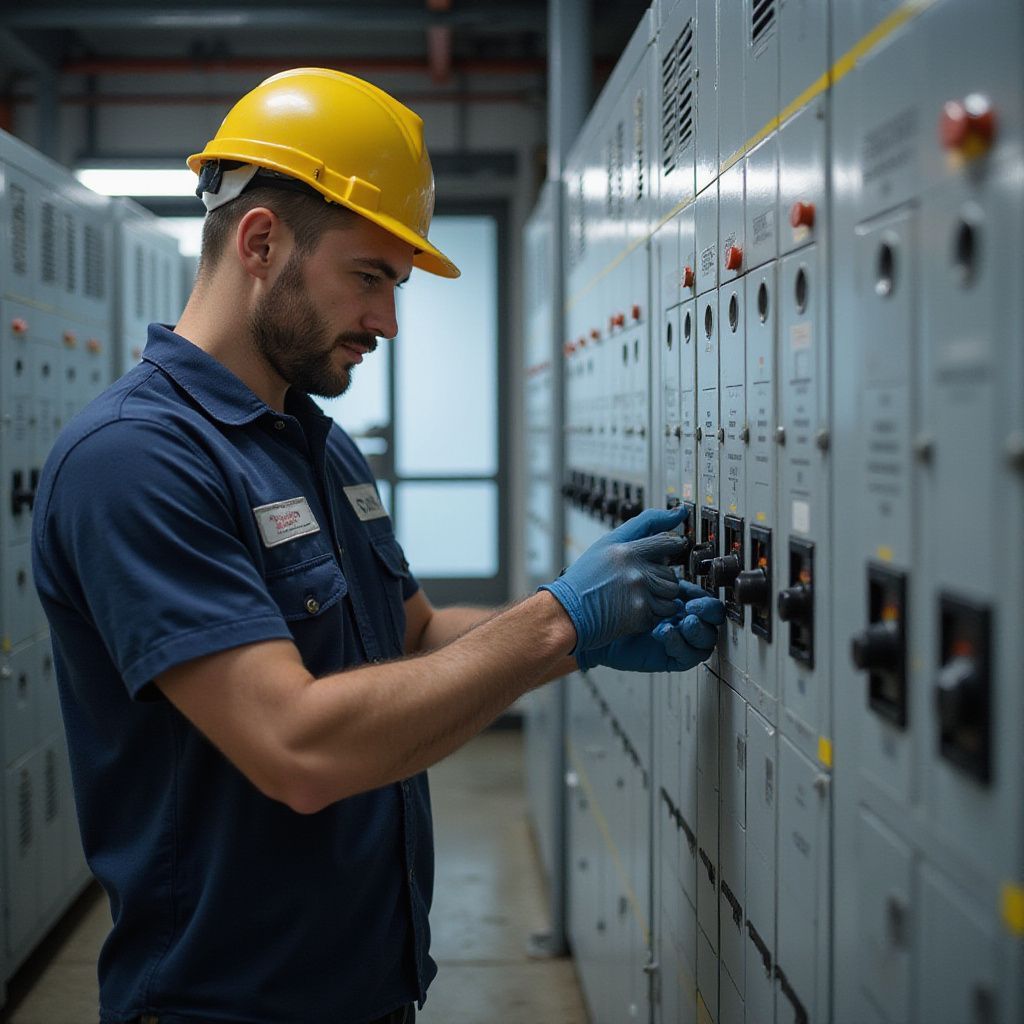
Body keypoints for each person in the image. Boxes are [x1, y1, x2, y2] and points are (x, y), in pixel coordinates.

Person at [31, 68, 724, 1024]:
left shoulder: (319, 443)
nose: (389, 322)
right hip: (223, 1005)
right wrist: (554, 624)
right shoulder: (136, 461)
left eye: (394, 285)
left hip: (370, 985)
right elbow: (294, 746)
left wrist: (586, 635)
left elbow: (416, 637)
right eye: (370, 277)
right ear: (262, 242)